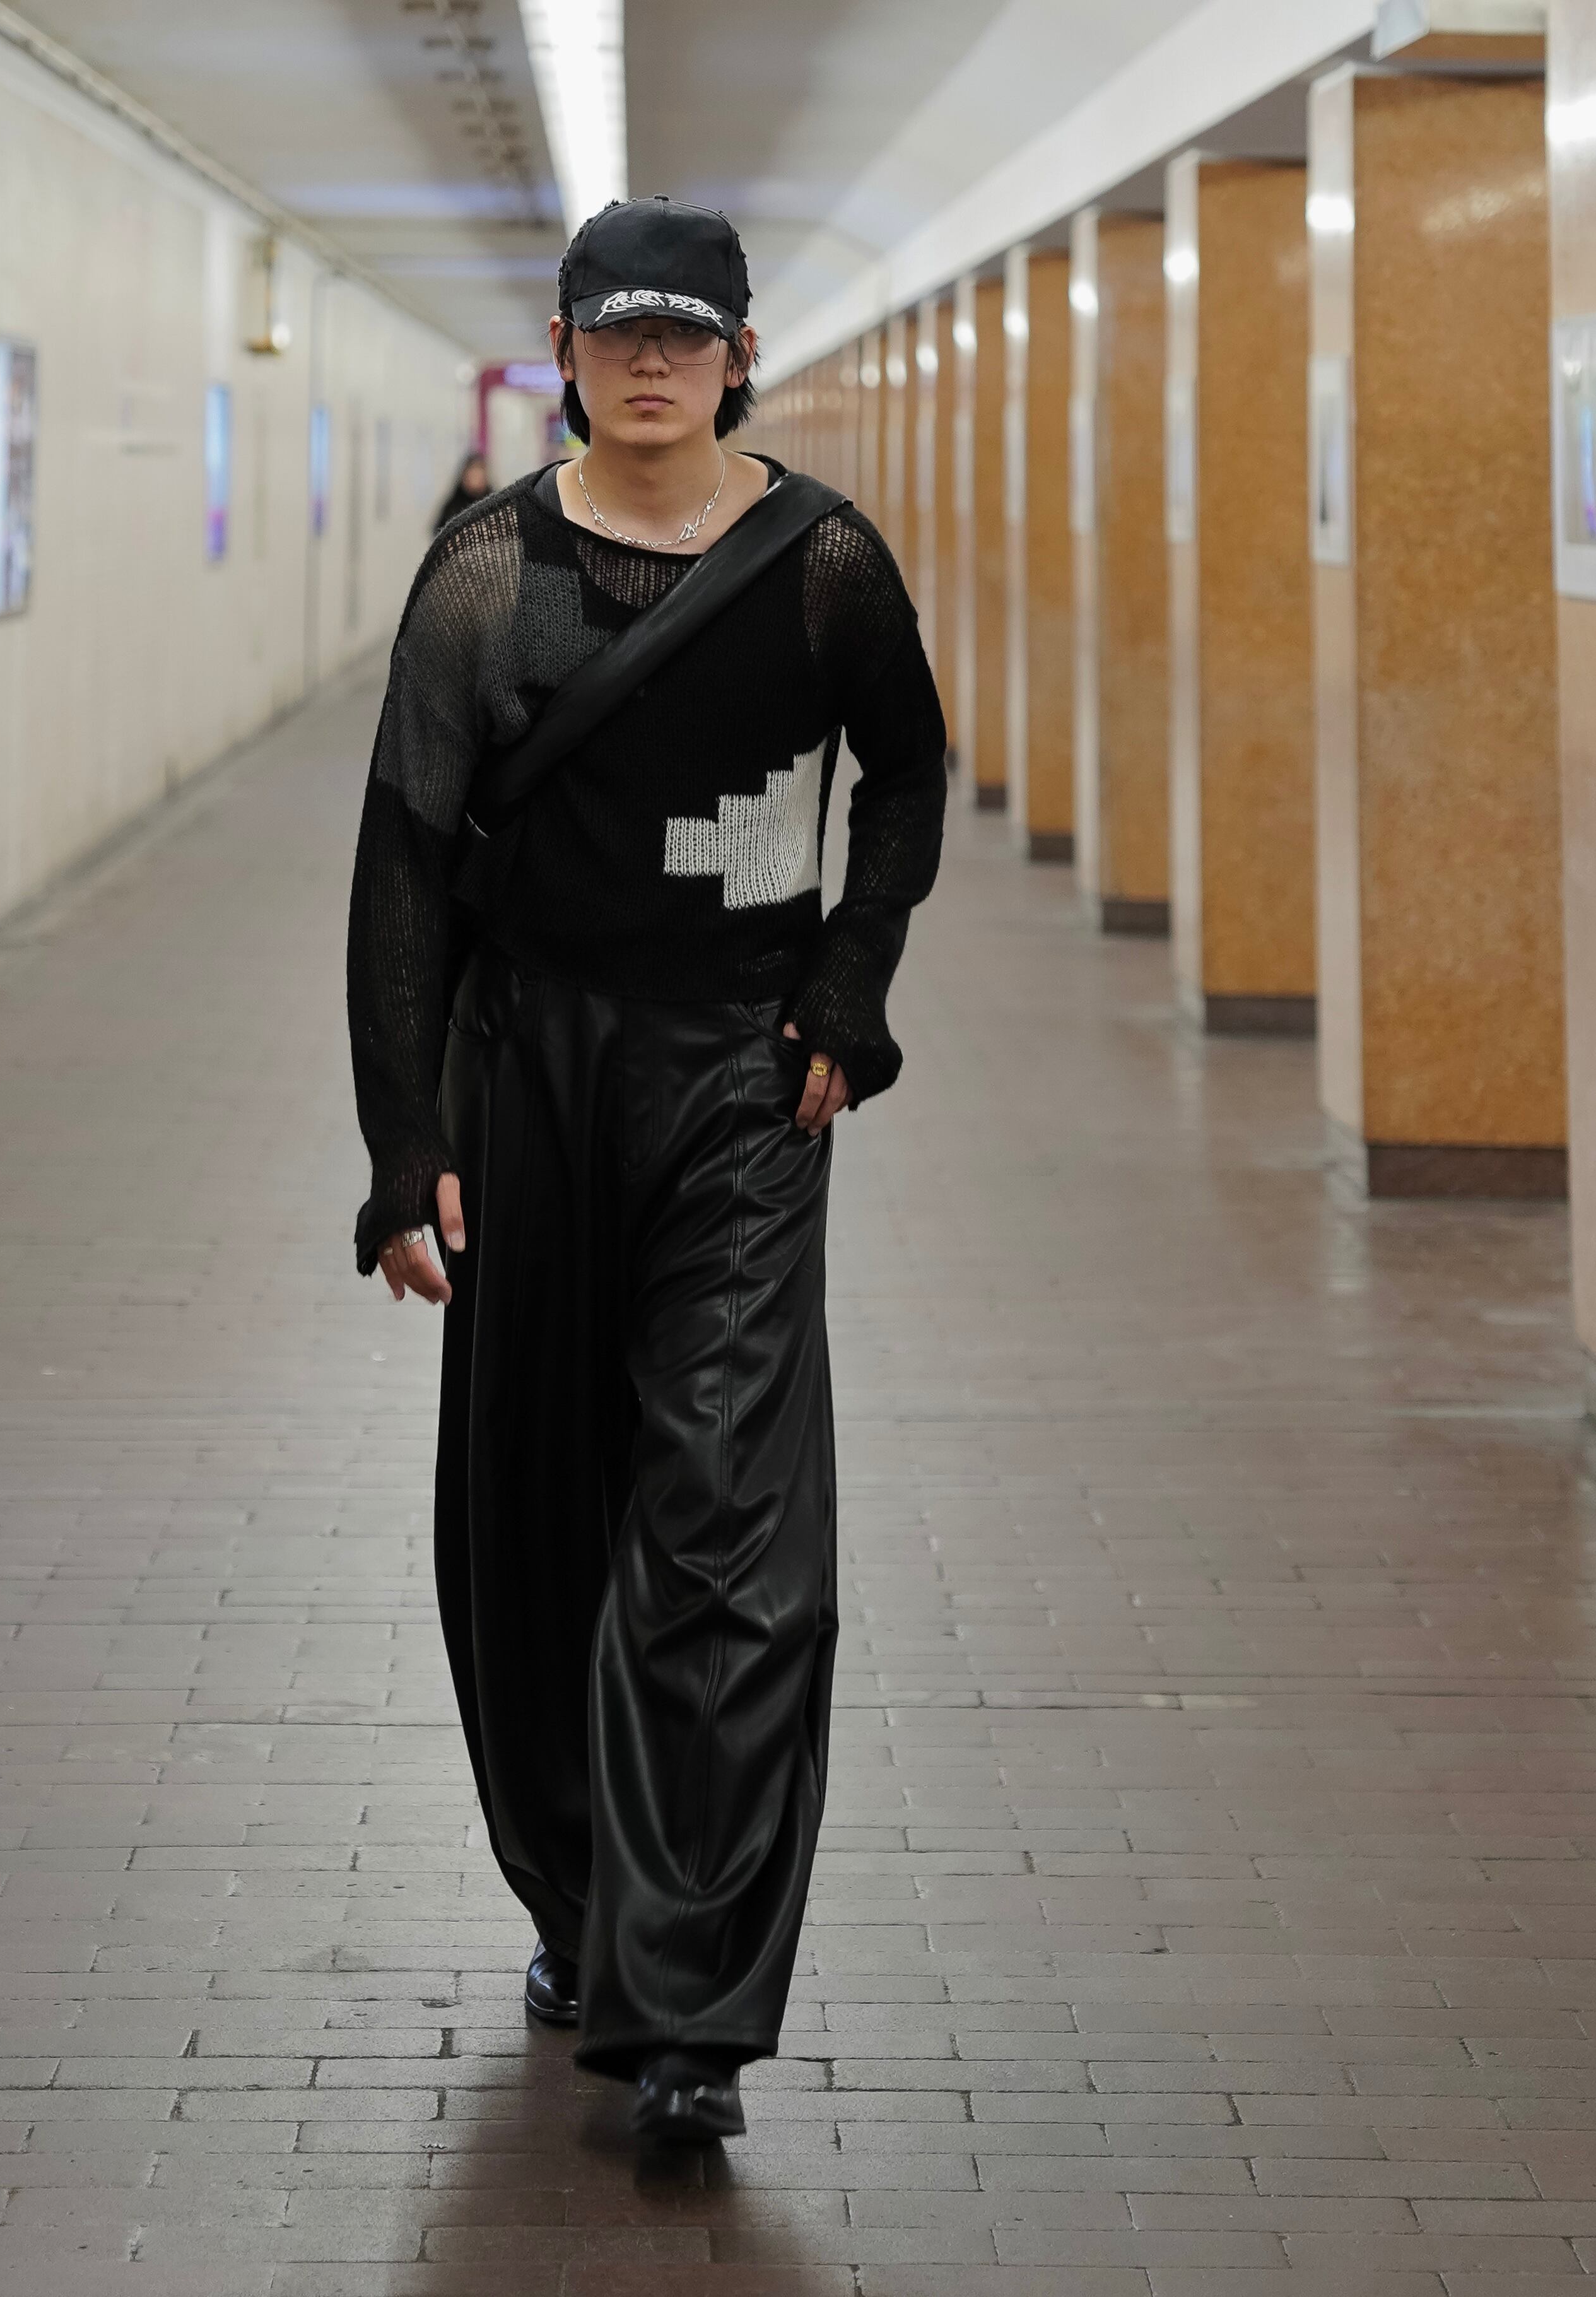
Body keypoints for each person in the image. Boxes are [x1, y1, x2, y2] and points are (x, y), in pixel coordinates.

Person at [346, 196, 946, 2143]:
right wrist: (404, 1141)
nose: (653, 362)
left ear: (739, 354)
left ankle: (683, 2005)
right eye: (619, 332)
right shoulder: (485, 575)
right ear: (567, 351)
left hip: (739, 1083)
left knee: (722, 1519)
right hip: (528, 1068)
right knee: (531, 1513)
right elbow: (404, 862)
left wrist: (849, 980)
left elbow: (905, 779)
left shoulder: (824, 564)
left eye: (686, 334)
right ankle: (574, 1895)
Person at [433, 450, 490, 531]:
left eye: (479, 475)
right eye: (473, 475)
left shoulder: (493, 503)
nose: (476, 479)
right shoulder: (453, 506)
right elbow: (438, 531)